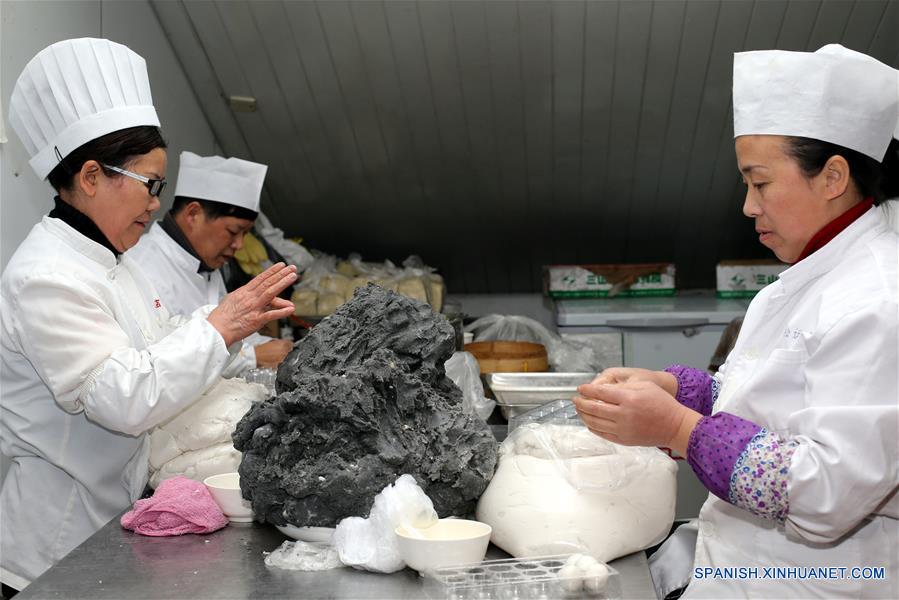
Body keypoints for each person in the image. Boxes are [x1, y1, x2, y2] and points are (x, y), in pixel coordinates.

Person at [575, 44, 898, 598]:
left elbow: (824, 493)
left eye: (761, 182)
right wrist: (682, 390)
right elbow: (770, 395)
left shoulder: (879, 299)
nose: (749, 206)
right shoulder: (804, 279)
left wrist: (676, 428)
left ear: (833, 177)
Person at [0, 38, 297, 592]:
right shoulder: (44, 278)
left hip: (115, 519)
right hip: (56, 547)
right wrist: (221, 325)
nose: (157, 203)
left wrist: (233, 331)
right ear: (91, 177)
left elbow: (162, 347)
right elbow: (119, 398)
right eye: (150, 185)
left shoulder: (116, 259)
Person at [127, 152, 293, 375]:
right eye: (233, 231)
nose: (239, 244)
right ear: (193, 214)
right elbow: (158, 362)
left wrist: (275, 349)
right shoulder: (144, 268)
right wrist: (252, 357)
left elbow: (235, 331)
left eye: (245, 233)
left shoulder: (207, 263)